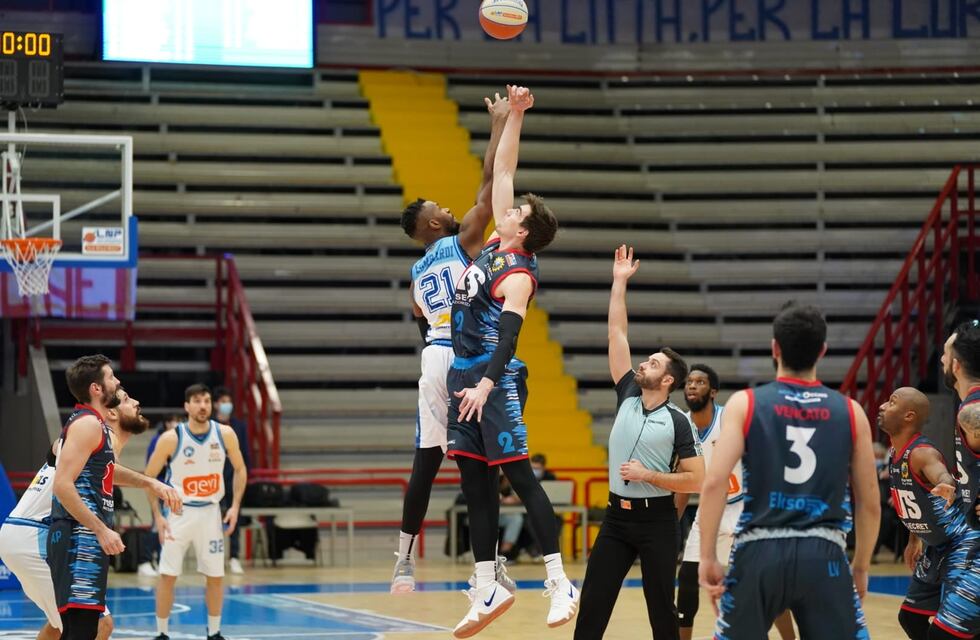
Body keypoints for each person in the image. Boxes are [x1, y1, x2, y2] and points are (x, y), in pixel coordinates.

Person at [446, 84, 569, 638]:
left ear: (524, 230)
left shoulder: (518, 272)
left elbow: (512, 337)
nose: (509, 204)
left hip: (494, 380)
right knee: (473, 481)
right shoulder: (500, 239)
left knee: (518, 475)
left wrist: (488, 385)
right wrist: (516, 115)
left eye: (516, 210)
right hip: (463, 372)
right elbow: (503, 171)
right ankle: (486, 582)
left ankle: (559, 580)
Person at [698, 303, 880, 639]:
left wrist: (707, 555)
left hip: (758, 552)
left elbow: (714, 483)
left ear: (774, 348)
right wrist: (861, 566)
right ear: (822, 351)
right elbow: (869, 503)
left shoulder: (745, 403)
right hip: (824, 551)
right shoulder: (852, 412)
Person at [392, 91, 511, 593]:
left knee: (426, 458)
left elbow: (419, 317)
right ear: (435, 224)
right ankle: (487, 567)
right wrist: (500, 124)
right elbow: (489, 184)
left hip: (432, 356)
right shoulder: (460, 239)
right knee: (478, 464)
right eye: (439, 207)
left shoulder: (415, 273)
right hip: (464, 354)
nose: (447, 206)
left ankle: (403, 562)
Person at [573, 245, 704, 640]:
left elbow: (697, 480)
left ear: (668, 381)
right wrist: (618, 283)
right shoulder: (628, 392)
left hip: (657, 522)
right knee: (593, 603)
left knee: (661, 609)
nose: (643, 364)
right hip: (616, 518)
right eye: (645, 360)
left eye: (653, 364)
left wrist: (651, 474)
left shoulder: (679, 421)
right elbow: (617, 332)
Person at [0, 381, 180, 640]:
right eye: (128, 399)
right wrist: (150, 482)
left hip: (22, 533)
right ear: (113, 412)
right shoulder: (95, 433)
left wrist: (149, 483)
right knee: (98, 624)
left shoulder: (95, 442)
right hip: (37, 534)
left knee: (59, 624)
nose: (137, 403)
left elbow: (86, 463)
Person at [673, 365, 797, 640]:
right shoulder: (681, 424)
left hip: (746, 506)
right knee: (688, 583)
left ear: (713, 392)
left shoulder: (730, 417)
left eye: (700, 382)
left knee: (765, 582)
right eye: (689, 381)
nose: (692, 386)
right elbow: (684, 480)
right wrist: (673, 524)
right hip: (709, 508)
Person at [145, 384, 248, 640]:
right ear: (187, 406)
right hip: (178, 513)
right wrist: (158, 517)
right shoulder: (171, 438)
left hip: (211, 513)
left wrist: (234, 506)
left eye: (207, 401)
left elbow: (241, 469)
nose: (203, 405)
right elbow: (148, 478)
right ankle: (161, 633)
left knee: (215, 576)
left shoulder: (225, 434)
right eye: (197, 401)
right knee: (168, 575)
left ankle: (214, 633)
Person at [877, 387, 978, 640]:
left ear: (909, 416)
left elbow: (940, 473)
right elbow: (917, 502)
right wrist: (914, 540)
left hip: (962, 543)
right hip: (937, 546)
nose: (882, 406)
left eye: (891, 402)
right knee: (910, 617)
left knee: (954, 630)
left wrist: (946, 483)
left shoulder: (922, 453)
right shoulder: (894, 453)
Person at [138, 412, 182, 577]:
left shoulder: (180, 442)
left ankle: (157, 560)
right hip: (159, 489)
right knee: (156, 525)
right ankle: (145, 560)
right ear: (166, 423)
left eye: (178, 420)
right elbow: (151, 469)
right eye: (173, 420)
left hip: (173, 491)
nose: (176, 424)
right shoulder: (159, 441)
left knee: (166, 527)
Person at [213, 386, 250, 576]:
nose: (227, 405)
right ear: (216, 404)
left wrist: (244, 476)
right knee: (213, 517)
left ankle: (234, 557)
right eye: (223, 401)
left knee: (234, 515)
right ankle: (214, 554)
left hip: (233, 476)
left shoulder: (239, 426)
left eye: (229, 401)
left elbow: (245, 456)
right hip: (213, 477)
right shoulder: (210, 425)